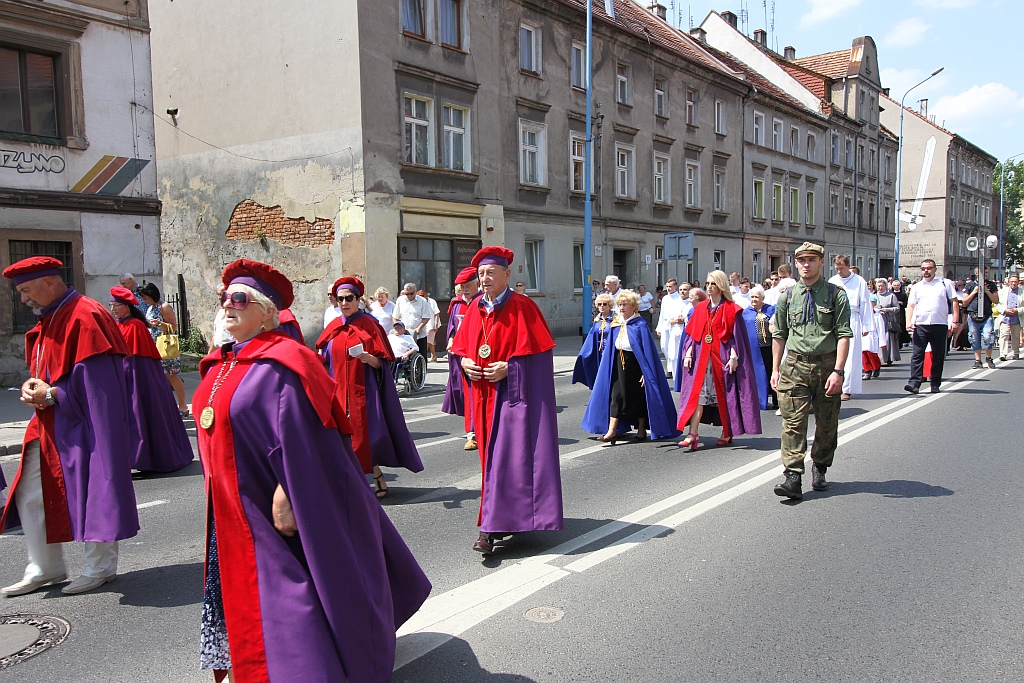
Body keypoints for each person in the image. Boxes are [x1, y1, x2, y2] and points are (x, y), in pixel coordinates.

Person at [193, 259, 431, 682]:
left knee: (288, 594)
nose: (227, 306)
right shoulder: (223, 361)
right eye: (223, 299)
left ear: (267, 312)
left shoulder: (286, 363)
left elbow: (306, 439)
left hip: (268, 506)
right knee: (244, 592)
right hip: (230, 507)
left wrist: (288, 492)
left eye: (239, 299)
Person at [0, 257, 139, 596]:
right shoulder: (51, 316)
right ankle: (45, 566)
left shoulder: (86, 315)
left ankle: (100, 566)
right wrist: (34, 389)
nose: (23, 299)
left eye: (26, 290)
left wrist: (52, 394)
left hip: (87, 423)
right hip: (49, 422)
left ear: (49, 282)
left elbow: (101, 388)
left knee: (96, 487)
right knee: (30, 491)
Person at [451, 246, 562, 556]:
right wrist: (464, 364)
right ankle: (504, 518)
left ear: (506, 275)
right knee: (491, 462)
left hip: (514, 399)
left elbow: (540, 360)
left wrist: (510, 368)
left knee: (506, 462)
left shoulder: (524, 307)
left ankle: (488, 527)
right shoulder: (473, 308)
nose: (484, 279)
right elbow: (461, 350)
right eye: (481, 274)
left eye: (490, 273)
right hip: (483, 397)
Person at [316, 277, 423, 499]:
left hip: (363, 390)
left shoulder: (369, 324)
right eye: (340, 299)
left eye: (349, 298)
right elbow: (324, 358)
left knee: (366, 438)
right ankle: (348, 483)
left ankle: (375, 476)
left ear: (358, 300)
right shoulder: (333, 327)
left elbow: (383, 362)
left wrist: (367, 358)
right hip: (337, 391)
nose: (344, 303)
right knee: (337, 439)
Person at [770, 242, 852, 499]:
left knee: (827, 425)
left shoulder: (835, 295)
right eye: (802, 260)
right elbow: (780, 334)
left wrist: (838, 371)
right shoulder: (787, 296)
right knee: (793, 423)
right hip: (795, 365)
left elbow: (843, 334)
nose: (806, 264)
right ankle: (792, 476)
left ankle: (820, 465)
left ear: (821, 262)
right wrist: (775, 369)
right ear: (796, 263)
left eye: (812, 260)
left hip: (826, 366)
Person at [674, 271, 762, 450]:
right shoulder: (700, 308)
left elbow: (736, 337)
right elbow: (693, 335)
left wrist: (734, 356)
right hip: (702, 359)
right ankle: (693, 433)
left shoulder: (731, 308)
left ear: (720, 285)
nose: (709, 286)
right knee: (698, 395)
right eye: (707, 283)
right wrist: (689, 352)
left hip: (722, 358)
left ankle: (727, 432)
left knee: (725, 395)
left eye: (713, 283)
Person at [110, 286, 194, 473]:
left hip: (138, 377)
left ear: (127, 307)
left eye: (117, 305)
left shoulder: (136, 326)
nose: (113, 309)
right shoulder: (119, 325)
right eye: (111, 305)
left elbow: (135, 360)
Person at [581, 290, 677, 444]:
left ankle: (641, 429)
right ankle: (611, 431)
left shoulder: (639, 325)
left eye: (625, 304)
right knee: (616, 396)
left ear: (633, 306)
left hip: (636, 365)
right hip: (618, 363)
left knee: (638, 397)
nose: (622, 307)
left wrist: (647, 372)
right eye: (620, 304)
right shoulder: (616, 323)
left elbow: (647, 351)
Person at [904, 259, 960, 394]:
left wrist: (955, 321)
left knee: (938, 355)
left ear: (935, 269)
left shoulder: (944, 283)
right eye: (923, 269)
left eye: (929, 268)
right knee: (917, 354)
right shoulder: (917, 287)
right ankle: (914, 383)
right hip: (921, 325)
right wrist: (908, 322)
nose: (926, 271)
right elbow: (910, 305)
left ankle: (935, 383)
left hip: (939, 324)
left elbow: (954, 302)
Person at [443, 267, 482, 451]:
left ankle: (477, 432)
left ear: (478, 284)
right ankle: (472, 432)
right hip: (461, 356)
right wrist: (451, 340)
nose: (464, 290)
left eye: (468, 285)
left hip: (478, 355)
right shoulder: (457, 304)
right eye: (462, 286)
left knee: (478, 394)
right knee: (467, 394)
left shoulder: (483, 302)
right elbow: (452, 326)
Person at [139, 282, 189, 416]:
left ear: (152, 295)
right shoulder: (151, 308)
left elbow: (173, 327)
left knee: (172, 375)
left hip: (165, 346)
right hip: (154, 347)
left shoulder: (164, 306)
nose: (144, 300)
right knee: (160, 376)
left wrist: (160, 324)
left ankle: (183, 406)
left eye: (145, 297)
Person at [829, 255, 872, 400]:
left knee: (851, 355)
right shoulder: (833, 281)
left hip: (852, 318)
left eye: (841, 268)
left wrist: (866, 325)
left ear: (848, 266)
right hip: (835, 319)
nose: (839, 271)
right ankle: (834, 385)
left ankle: (846, 388)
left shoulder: (859, 281)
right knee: (834, 354)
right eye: (837, 269)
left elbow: (865, 303)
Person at [742, 285, 776, 410]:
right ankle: (761, 400)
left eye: (757, 297)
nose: (754, 299)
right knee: (759, 374)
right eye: (752, 297)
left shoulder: (771, 310)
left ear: (762, 298)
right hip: (755, 349)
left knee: (772, 371)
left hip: (771, 347)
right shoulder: (746, 313)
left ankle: (777, 400)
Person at [572, 293, 614, 390]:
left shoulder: (615, 319)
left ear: (610, 305)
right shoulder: (597, 320)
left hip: (610, 351)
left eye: (605, 304)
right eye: (599, 304)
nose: (602, 306)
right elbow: (591, 337)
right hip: (599, 352)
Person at [962, 266, 1000, 369]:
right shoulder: (969, 285)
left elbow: (996, 300)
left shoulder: (991, 285)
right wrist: (974, 292)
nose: (985, 274)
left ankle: (989, 358)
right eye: (983, 272)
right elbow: (964, 301)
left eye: (987, 272)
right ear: (977, 273)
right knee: (974, 338)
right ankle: (977, 360)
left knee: (988, 337)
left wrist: (987, 291)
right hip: (973, 315)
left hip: (986, 315)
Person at [655, 279, 691, 377]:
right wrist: (659, 327)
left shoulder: (679, 298)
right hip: (667, 324)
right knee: (663, 346)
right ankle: (670, 366)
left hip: (676, 326)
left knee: (674, 350)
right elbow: (662, 314)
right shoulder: (665, 298)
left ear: (675, 287)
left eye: (670, 286)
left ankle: (671, 369)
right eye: (667, 287)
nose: (668, 288)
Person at [395, 282, 431, 358]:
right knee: (405, 357)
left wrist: (419, 328)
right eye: (406, 294)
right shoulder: (400, 300)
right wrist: (398, 328)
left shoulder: (422, 301)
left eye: (411, 293)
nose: (409, 296)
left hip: (419, 334)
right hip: (404, 334)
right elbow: (395, 317)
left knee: (421, 356)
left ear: (415, 291)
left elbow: (427, 317)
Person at [875, 279, 902, 365]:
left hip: (888, 320)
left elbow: (897, 308)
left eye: (882, 286)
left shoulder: (891, 296)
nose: (880, 288)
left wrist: (887, 309)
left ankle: (888, 358)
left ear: (885, 286)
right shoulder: (873, 296)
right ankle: (879, 358)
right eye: (878, 286)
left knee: (887, 339)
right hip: (877, 320)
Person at [997, 273, 1022, 361]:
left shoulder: (1022, 292)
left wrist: (1017, 310)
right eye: (1012, 282)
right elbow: (997, 304)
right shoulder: (1002, 291)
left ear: (1018, 282)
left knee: (1016, 336)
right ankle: (1003, 354)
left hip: (1017, 317)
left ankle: (1015, 352)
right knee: (1004, 335)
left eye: (1015, 282)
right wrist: (1005, 310)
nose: (1013, 283)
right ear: (1008, 282)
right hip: (1005, 317)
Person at [861, 296, 883, 380]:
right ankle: (867, 371)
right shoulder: (862, 315)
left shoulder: (877, 316)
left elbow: (880, 329)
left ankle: (876, 367)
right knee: (864, 354)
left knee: (872, 354)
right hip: (863, 336)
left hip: (872, 337)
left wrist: (882, 341)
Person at [420, 289, 441, 362]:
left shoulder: (432, 301)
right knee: (430, 341)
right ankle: (433, 356)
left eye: (423, 296)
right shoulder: (420, 302)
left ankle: (423, 356)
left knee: (428, 340)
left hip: (432, 323)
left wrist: (436, 324)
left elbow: (436, 313)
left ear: (426, 296)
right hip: (424, 324)